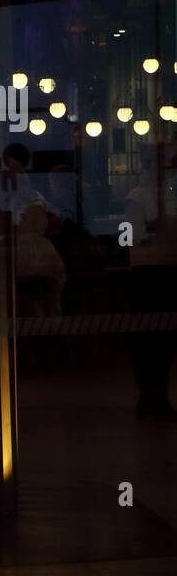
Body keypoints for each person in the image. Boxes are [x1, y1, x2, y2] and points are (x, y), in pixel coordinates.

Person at [124, 147, 177, 422]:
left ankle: (156, 396)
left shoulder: (165, 194)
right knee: (151, 339)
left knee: (161, 340)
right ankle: (150, 396)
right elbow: (134, 235)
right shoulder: (140, 196)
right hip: (151, 271)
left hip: (160, 269)